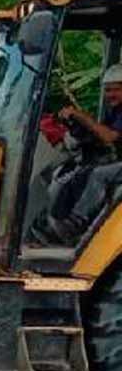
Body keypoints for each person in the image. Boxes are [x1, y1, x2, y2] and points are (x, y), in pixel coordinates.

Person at [50, 63, 122, 241]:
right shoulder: (115, 111)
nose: (110, 95)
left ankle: (76, 220)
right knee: (81, 171)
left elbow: (109, 136)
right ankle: (64, 227)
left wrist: (81, 116)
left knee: (99, 174)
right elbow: (99, 134)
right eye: (107, 90)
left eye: (115, 90)